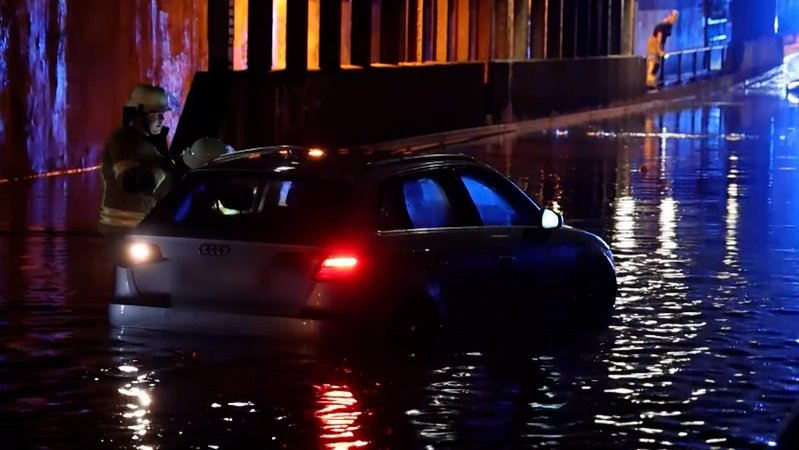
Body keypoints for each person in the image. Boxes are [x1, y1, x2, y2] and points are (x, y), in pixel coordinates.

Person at [98, 84, 180, 237]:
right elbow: (131, 182)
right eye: (155, 113)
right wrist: (163, 168)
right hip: (121, 232)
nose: (162, 119)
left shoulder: (145, 144)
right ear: (138, 114)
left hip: (138, 231)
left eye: (162, 114)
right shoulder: (125, 142)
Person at [647, 10, 679, 89]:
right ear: (670, 16)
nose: (675, 19)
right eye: (674, 17)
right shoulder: (663, 25)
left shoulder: (669, 26)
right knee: (653, 62)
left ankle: (651, 81)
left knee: (657, 63)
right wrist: (659, 50)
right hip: (654, 43)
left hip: (659, 43)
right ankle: (648, 81)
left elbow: (663, 39)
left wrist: (661, 48)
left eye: (676, 18)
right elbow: (659, 38)